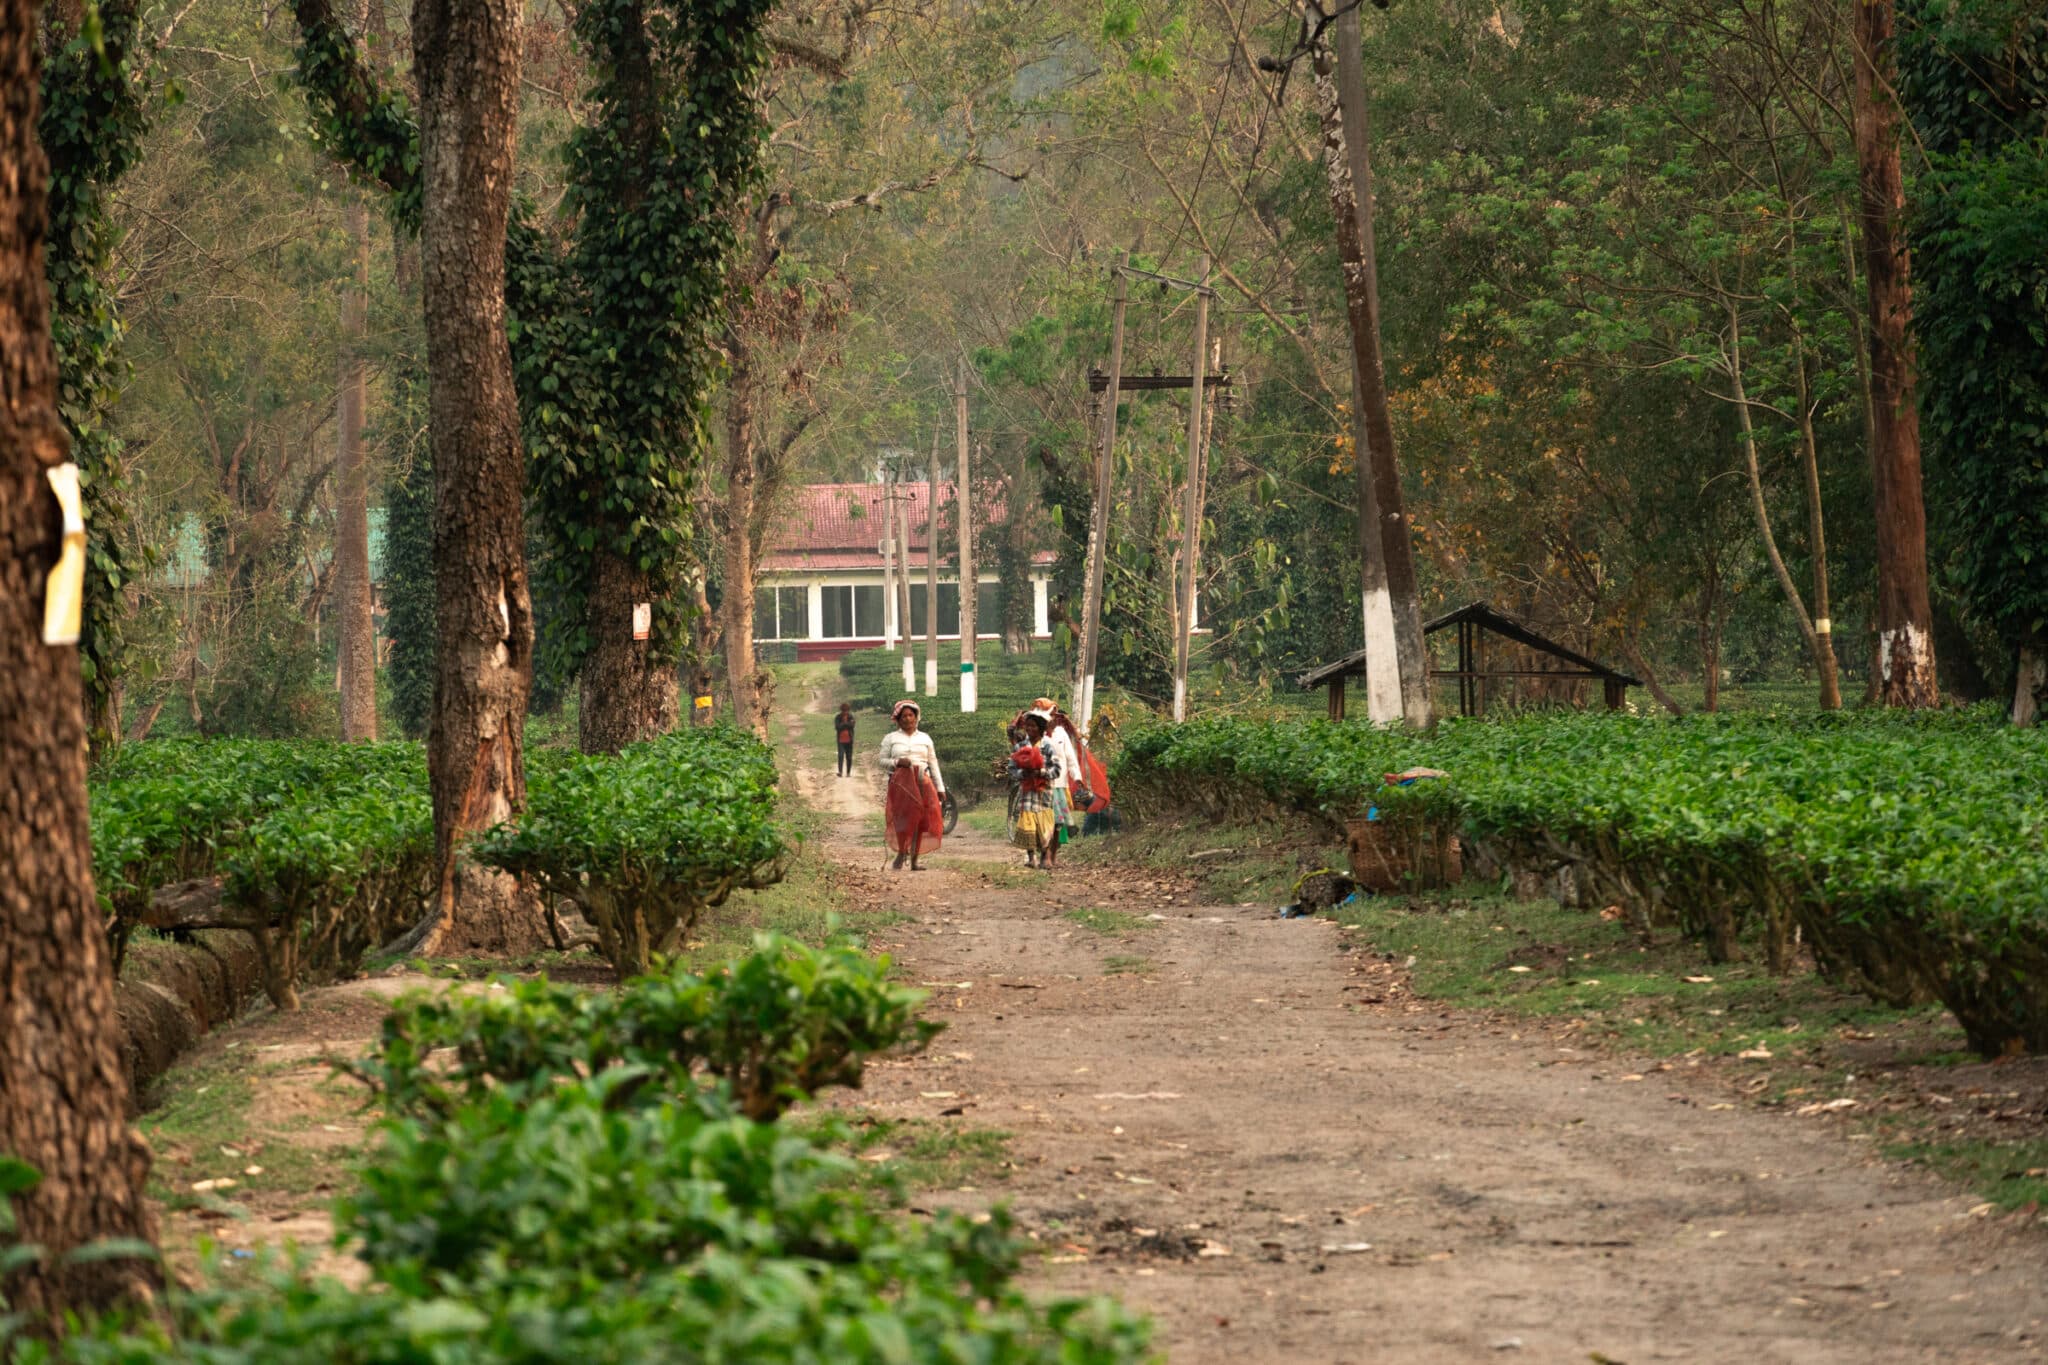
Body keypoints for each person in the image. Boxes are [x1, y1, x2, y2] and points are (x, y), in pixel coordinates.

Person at [877, 700, 945, 871]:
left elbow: (933, 763)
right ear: (898, 720)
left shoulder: (925, 738)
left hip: (923, 782)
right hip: (901, 785)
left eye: (911, 715)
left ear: (916, 717)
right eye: (904, 716)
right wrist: (897, 761)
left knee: (920, 821)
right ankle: (901, 852)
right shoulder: (891, 738)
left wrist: (940, 788)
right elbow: (881, 761)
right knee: (902, 819)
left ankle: (914, 860)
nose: (908, 719)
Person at [1008, 712, 1062, 870]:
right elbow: (1011, 768)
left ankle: (1045, 856)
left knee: (1044, 823)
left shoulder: (1048, 747)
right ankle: (1031, 857)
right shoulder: (1020, 747)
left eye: (1033, 726)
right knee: (1028, 822)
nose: (1030, 729)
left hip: (1044, 792)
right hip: (1027, 792)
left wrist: (1042, 772)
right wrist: (1021, 774)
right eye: (1027, 726)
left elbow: (1057, 769)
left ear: (1041, 728)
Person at [1032, 697, 1084, 839]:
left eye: (1055, 716)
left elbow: (1070, 757)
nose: (1054, 719)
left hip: (1060, 781)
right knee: (1051, 813)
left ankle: (1061, 834)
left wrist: (1077, 777)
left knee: (1060, 808)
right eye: (1051, 716)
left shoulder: (1061, 733)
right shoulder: (1036, 735)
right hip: (1043, 781)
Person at [834, 703, 856, 777]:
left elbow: (852, 726)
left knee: (849, 757)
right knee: (840, 756)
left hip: (849, 740)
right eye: (844, 711)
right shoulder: (838, 717)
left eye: (846, 711)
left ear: (848, 710)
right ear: (841, 711)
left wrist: (843, 724)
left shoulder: (851, 716)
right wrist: (847, 724)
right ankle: (840, 772)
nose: (845, 712)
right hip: (840, 740)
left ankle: (848, 772)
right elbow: (837, 727)